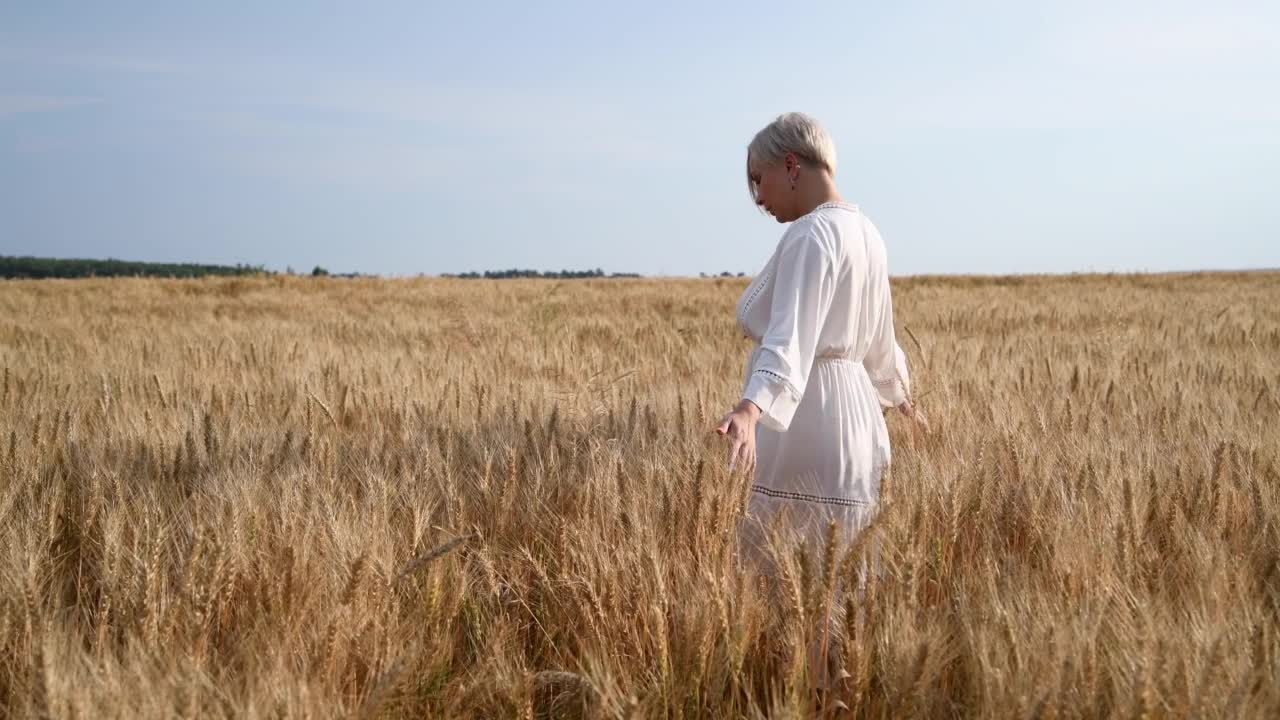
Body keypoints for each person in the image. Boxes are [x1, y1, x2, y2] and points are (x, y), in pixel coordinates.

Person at [714, 111, 926, 694]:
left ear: (791, 165)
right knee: (844, 577)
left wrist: (751, 409)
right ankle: (839, 693)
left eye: (758, 180)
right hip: (860, 416)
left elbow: (790, 338)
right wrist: (905, 404)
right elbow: (883, 341)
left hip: (805, 414)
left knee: (787, 575)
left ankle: (793, 692)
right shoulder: (869, 232)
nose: (757, 197)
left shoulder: (810, 233)